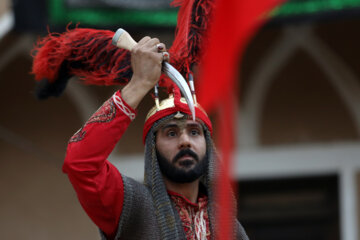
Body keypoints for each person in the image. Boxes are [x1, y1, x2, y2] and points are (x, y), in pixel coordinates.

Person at [63, 36, 249, 240]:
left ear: (208, 144)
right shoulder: (132, 205)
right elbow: (80, 164)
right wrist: (140, 83)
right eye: (171, 133)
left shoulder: (230, 227)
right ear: (153, 147)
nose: (185, 141)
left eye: (194, 131)